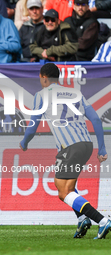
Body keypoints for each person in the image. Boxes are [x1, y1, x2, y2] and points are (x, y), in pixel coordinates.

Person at [19, 63, 110, 239]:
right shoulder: (75, 93)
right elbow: (96, 120)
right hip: (86, 144)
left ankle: (103, 221)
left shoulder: (41, 95)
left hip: (70, 146)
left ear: (44, 77)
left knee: (62, 191)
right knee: (70, 187)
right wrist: (102, 148)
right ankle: (82, 219)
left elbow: (32, 127)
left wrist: (24, 142)